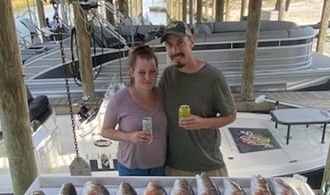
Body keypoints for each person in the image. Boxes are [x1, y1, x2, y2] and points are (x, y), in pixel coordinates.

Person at [159, 21, 237, 177]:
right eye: (169, 45)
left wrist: (203, 123)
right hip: (175, 168)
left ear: (192, 42)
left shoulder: (214, 77)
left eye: (180, 43)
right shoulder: (167, 76)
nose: (175, 50)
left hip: (209, 167)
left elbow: (231, 115)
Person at [101, 45, 167, 176]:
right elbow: (105, 131)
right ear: (132, 72)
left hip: (160, 167)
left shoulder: (164, 96)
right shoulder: (119, 100)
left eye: (152, 72)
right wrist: (129, 137)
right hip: (130, 168)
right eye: (142, 72)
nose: (148, 77)